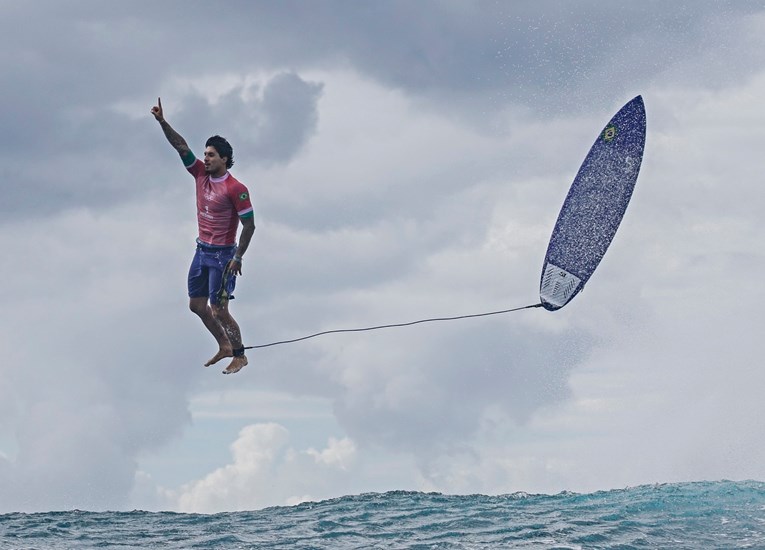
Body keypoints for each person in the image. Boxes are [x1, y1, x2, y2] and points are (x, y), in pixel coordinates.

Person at [151, 98, 255, 374]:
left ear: (224, 159)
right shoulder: (200, 174)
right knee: (196, 305)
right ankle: (224, 345)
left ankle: (240, 355)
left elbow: (250, 225)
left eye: (210, 155)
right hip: (201, 251)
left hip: (223, 256)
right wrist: (163, 122)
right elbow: (181, 146)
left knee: (219, 309)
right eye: (205, 154)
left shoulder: (236, 188)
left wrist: (238, 257)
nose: (205, 158)